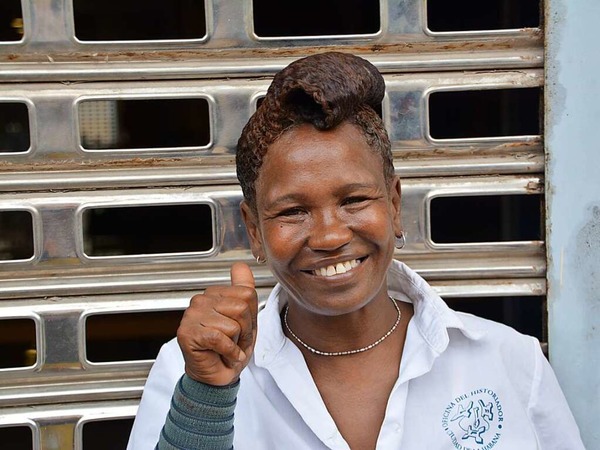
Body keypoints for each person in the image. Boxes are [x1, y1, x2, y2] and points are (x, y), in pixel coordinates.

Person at [127, 52, 584, 450]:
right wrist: (207, 399)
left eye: (354, 200)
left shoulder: (508, 361)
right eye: (292, 211)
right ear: (254, 230)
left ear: (394, 205)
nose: (329, 237)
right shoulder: (191, 371)